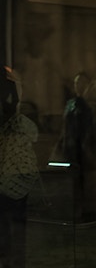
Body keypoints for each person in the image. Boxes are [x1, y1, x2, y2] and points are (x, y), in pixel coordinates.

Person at [0, 69, 39, 268]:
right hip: (15, 178)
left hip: (11, 178)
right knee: (14, 226)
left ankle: (12, 261)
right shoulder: (20, 123)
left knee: (9, 227)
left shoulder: (15, 123)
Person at [57, 72, 96, 224]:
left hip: (84, 147)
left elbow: (91, 126)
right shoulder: (71, 103)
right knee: (74, 180)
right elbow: (65, 124)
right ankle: (77, 212)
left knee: (86, 180)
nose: (78, 86)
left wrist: (88, 147)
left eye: (82, 83)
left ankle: (88, 213)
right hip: (72, 146)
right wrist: (62, 141)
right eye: (76, 83)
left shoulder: (91, 104)